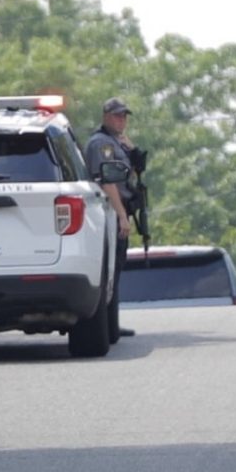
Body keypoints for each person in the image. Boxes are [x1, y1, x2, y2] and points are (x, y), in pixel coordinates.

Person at [85, 97, 143, 339]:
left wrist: (129, 147)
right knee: (110, 271)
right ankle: (107, 328)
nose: (122, 120)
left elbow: (137, 168)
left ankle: (111, 326)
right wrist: (121, 216)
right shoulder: (102, 144)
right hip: (109, 212)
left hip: (118, 210)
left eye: (124, 116)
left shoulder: (116, 142)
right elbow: (108, 182)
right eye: (117, 116)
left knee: (115, 271)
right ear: (106, 116)